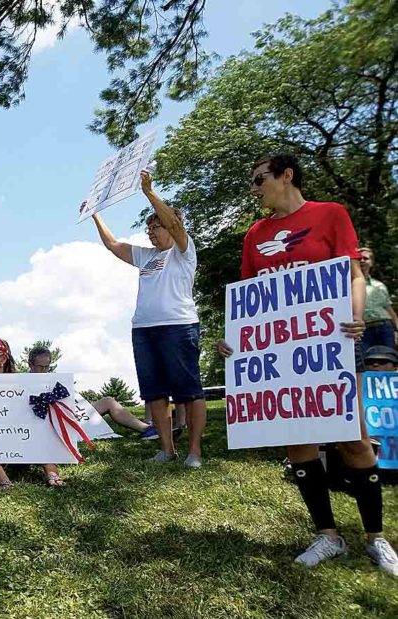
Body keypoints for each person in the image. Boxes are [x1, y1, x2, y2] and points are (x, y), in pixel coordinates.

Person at [217, 154, 395, 575]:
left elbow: (352, 272)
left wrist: (354, 315)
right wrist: (236, 337)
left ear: (286, 175)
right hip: (283, 355)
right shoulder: (255, 235)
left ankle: (376, 537)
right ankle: (327, 536)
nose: (254, 187)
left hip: (330, 341)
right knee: (299, 442)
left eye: (259, 178)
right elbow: (249, 297)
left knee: (352, 437)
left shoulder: (330, 215)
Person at [92, 169, 206, 468]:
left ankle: (194, 451)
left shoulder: (184, 251)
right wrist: (95, 214)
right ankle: (167, 449)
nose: (152, 232)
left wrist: (149, 193)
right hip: (144, 330)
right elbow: (114, 245)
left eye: (156, 227)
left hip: (179, 327)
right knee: (155, 392)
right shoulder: (146, 256)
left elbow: (172, 222)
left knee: (190, 391)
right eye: (149, 228)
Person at [0, 337, 64, 489]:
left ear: (3, 358)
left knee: (41, 431)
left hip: (21, 440)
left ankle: (51, 472)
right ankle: (1, 476)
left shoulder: (23, 383)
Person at [27, 347, 157, 440]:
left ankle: (146, 429)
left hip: (71, 415)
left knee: (108, 401)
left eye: (47, 366)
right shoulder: (21, 383)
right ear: (30, 364)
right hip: (47, 422)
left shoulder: (55, 380)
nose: (44, 370)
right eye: (40, 366)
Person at [359, 247, 398, 350]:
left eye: (365, 258)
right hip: (363, 331)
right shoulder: (347, 286)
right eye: (359, 259)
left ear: (371, 263)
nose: (362, 261)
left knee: (389, 360)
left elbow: (388, 308)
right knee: (366, 362)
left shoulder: (379, 285)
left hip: (385, 327)